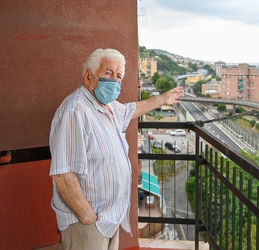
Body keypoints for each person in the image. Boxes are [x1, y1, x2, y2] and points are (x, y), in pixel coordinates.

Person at [49, 48, 184, 250]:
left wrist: (162, 99)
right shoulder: (74, 111)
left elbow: (132, 109)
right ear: (88, 76)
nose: (114, 80)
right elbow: (63, 174)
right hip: (87, 222)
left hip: (108, 219)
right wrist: (88, 218)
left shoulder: (109, 106)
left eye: (118, 76)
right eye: (108, 73)